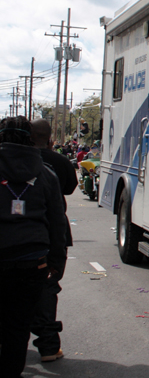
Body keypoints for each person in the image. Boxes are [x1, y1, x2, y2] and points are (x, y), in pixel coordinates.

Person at [0, 116, 67, 377]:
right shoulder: (46, 173)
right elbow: (57, 222)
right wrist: (56, 262)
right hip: (32, 262)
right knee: (18, 328)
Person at [29, 119, 78, 363]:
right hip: (51, 230)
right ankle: (48, 346)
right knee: (47, 288)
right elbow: (70, 188)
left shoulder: (11, 161)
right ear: (50, 140)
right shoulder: (58, 162)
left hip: (15, 235)